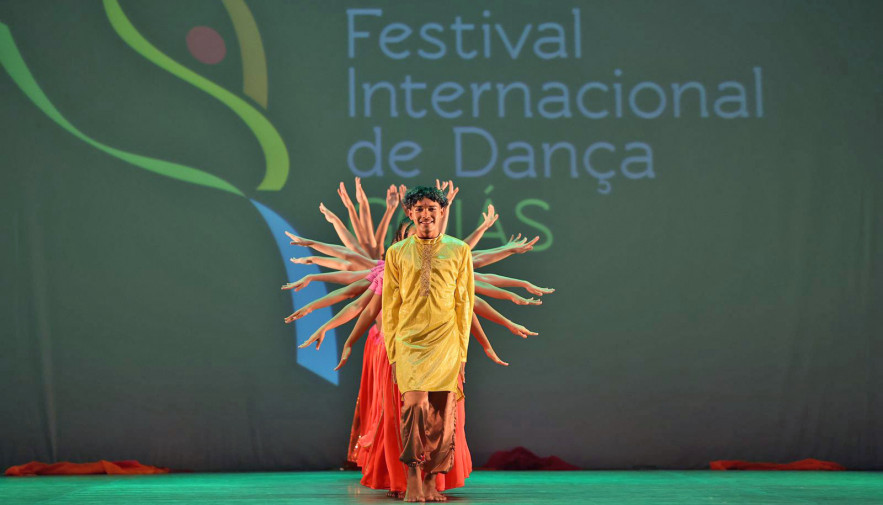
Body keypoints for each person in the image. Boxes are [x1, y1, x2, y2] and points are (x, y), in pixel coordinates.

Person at [382, 186, 475, 502]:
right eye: (419, 208)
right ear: (409, 213)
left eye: (432, 208)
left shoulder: (459, 250)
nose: (426, 214)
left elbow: (464, 304)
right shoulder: (396, 253)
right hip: (409, 341)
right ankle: (412, 475)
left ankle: (433, 479)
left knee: (442, 413)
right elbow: (390, 306)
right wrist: (393, 351)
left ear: (442, 212)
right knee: (415, 407)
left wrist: (462, 353)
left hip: (446, 341)